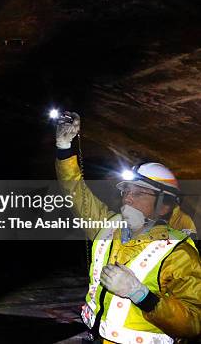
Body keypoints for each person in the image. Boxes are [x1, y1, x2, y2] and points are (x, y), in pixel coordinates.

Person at [55, 111, 201, 343]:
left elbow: (194, 321)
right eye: (126, 191)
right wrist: (64, 148)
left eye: (139, 193)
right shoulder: (108, 225)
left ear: (163, 206)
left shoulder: (179, 253)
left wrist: (141, 295)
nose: (128, 198)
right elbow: (76, 193)